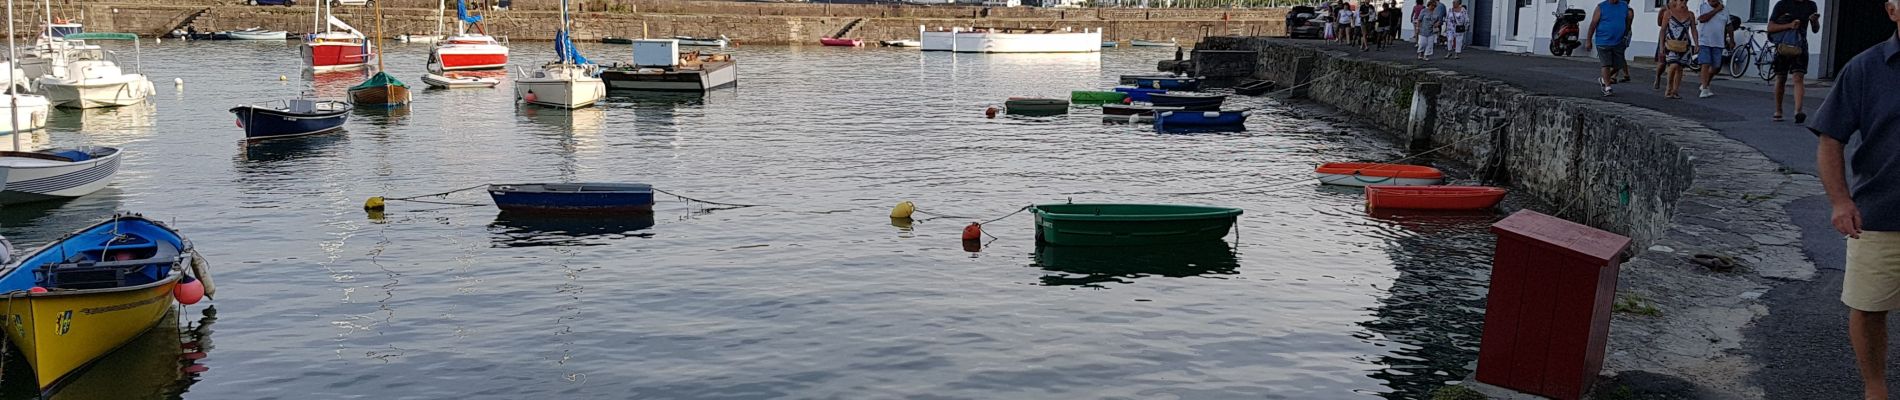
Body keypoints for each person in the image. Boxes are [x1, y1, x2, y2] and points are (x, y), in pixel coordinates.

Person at [1812, 1, 1900, 398]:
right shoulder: (1865, 69)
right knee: (1867, 307)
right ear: (1892, 10)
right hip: (1880, 214)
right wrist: (1840, 201)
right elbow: (1831, 138)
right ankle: (1875, 389)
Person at [1768, 0, 1820, 122]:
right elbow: (1770, 28)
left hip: (1800, 45)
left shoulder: (1811, 5)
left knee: (1798, 77)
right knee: (1781, 77)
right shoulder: (1782, 4)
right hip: (1783, 45)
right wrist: (1789, 25)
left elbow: (1815, 29)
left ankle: (1798, 111)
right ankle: (1778, 110)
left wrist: (1814, 21)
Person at [1582, 0, 1634, 96]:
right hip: (1603, 41)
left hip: (1618, 41)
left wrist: (1625, 34)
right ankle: (1607, 87)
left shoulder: (1624, 6)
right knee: (1606, 64)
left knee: (1619, 64)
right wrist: (1588, 40)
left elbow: (1628, 21)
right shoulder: (1601, 7)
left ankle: (1604, 79)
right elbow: (1593, 24)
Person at [1659, 0, 1698, 99]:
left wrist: (1697, 43)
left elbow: (1693, 29)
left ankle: (1675, 91)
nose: (1683, 2)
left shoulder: (1690, 14)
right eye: (1681, 0)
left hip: (1684, 44)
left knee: (1680, 67)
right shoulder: (1668, 13)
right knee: (1673, 65)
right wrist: (1661, 46)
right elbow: (1663, 29)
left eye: (1685, 0)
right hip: (1671, 43)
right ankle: (1669, 87)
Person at [1694, 0, 1729, 97]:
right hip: (1704, 40)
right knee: (1705, 63)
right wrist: (1716, 10)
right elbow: (1702, 19)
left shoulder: (1725, 9)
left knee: (1716, 67)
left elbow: (1728, 24)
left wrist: (1732, 39)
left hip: (1718, 42)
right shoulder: (1702, 5)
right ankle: (1704, 89)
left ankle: (1705, 83)